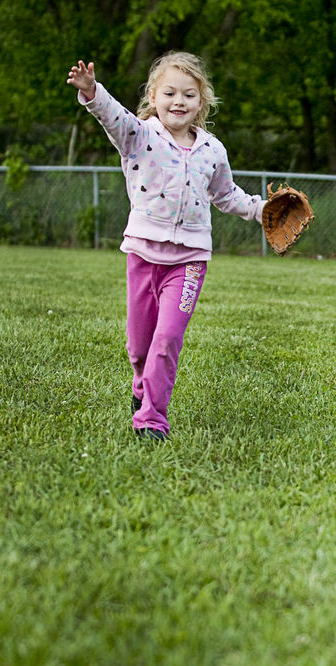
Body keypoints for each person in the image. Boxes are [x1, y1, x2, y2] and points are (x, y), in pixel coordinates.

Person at [67, 53, 264, 441]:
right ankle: (141, 388)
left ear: (201, 102)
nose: (179, 101)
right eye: (169, 92)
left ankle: (152, 418)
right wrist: (92, 92)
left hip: (189, 260)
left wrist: (261, 210)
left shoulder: (212, 150)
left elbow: (227, 195)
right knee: (140, 347)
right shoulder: (139, 136)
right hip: (143, 254)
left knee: (167, 339)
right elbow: (113, 116)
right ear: (153, 97)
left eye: (189, 94)